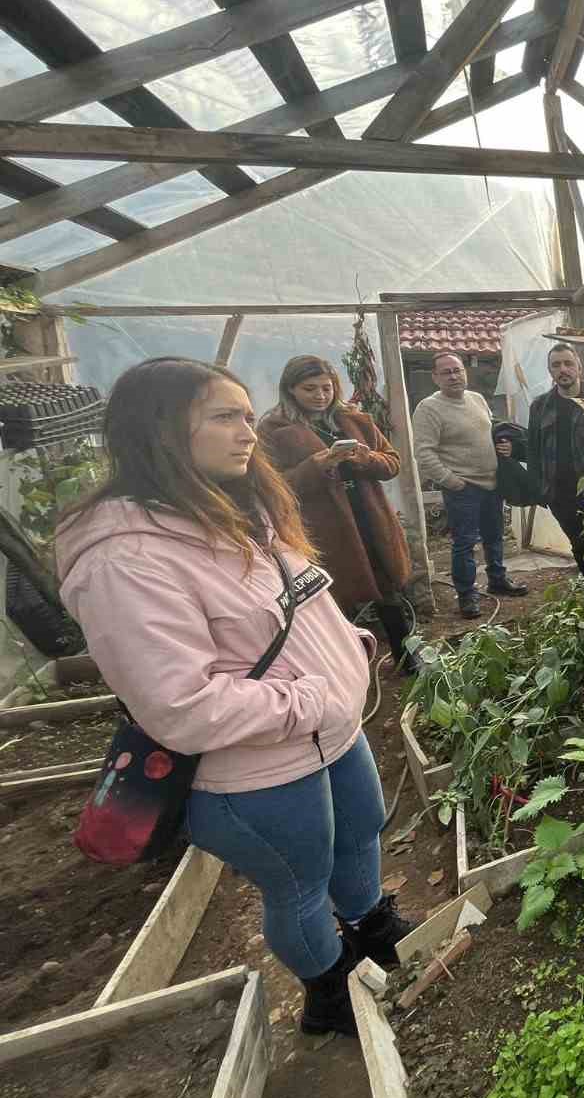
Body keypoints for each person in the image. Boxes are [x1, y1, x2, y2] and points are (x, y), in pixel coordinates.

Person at [55, 357, 415, 1038]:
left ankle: (371, 925)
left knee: (360, 831)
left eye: (248, 415)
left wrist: (351, 651)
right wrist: (311, 698)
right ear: (159, 430)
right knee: (300, 883)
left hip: (331, 731)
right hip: (255, 771)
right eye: (223, 417)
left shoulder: (238, 512)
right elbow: (179, 706)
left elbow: (298, 604)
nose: (246, 432)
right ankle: (330, 988)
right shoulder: (125, 558)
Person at [258, 356, 416, 674]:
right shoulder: (274, 430)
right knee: (334, 596)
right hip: (325, 527)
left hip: (369, 516)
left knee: (388, 587)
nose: (320, 395)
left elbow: (392, 462)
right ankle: (347, 665)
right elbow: (272, 486)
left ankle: (406, 656)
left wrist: (364, 457)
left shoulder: (354, 419)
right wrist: (316, 466)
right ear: (289, 390)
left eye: (326, 387)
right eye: (309, 389)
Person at [412, 351, 527, 618]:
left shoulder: (476, 399)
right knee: (464, 542)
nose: (454, 376)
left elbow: (489, 432)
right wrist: (452, 481)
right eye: (446, 372)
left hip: (491, 482)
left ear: (465, 372)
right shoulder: (429, 408)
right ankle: (467, 595)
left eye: (457, 370)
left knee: (494, 535)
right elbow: (424, 452)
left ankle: (497, 580)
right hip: (463, 488)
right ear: (435, 378)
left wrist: (506, 446)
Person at [496, 343, 584, 578]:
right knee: (579, 545)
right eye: (556, 365)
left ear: (579, 366)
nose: (563, 369)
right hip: (560, 493)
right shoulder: (540, 406)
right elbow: (535, 448)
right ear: (550, 371)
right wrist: (539, 487)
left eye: (568, 363)